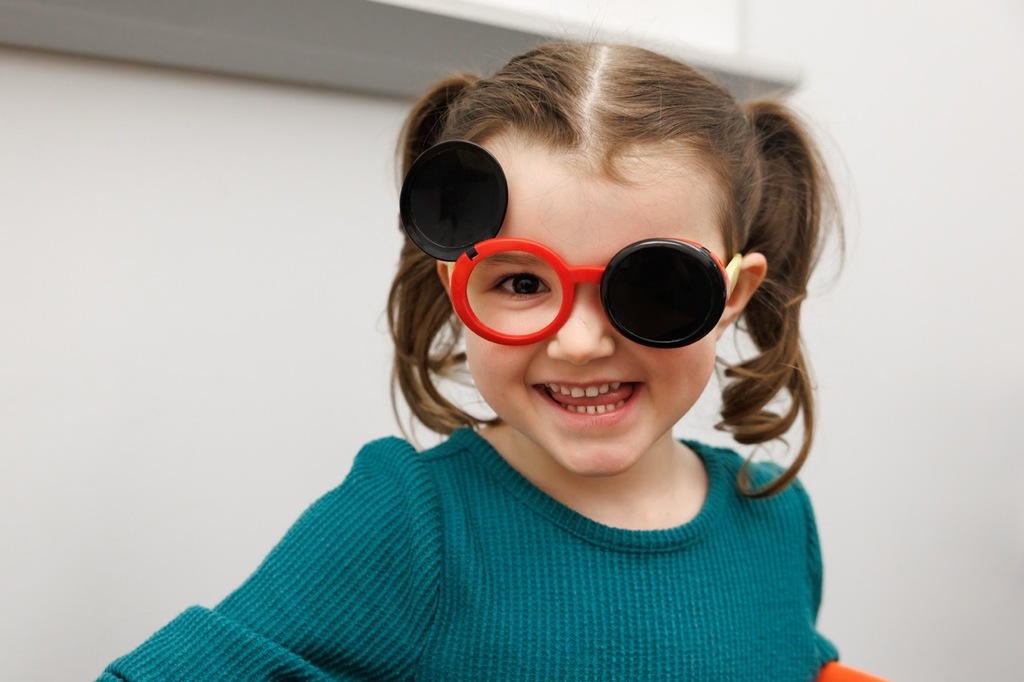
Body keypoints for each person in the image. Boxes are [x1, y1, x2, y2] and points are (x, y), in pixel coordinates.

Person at [98, 41, 854, 681]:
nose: (581, 343)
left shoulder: (777, 519)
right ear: (460, 290)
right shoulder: (408, 525)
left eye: (653, 284)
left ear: (732, 294)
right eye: (522, 283)